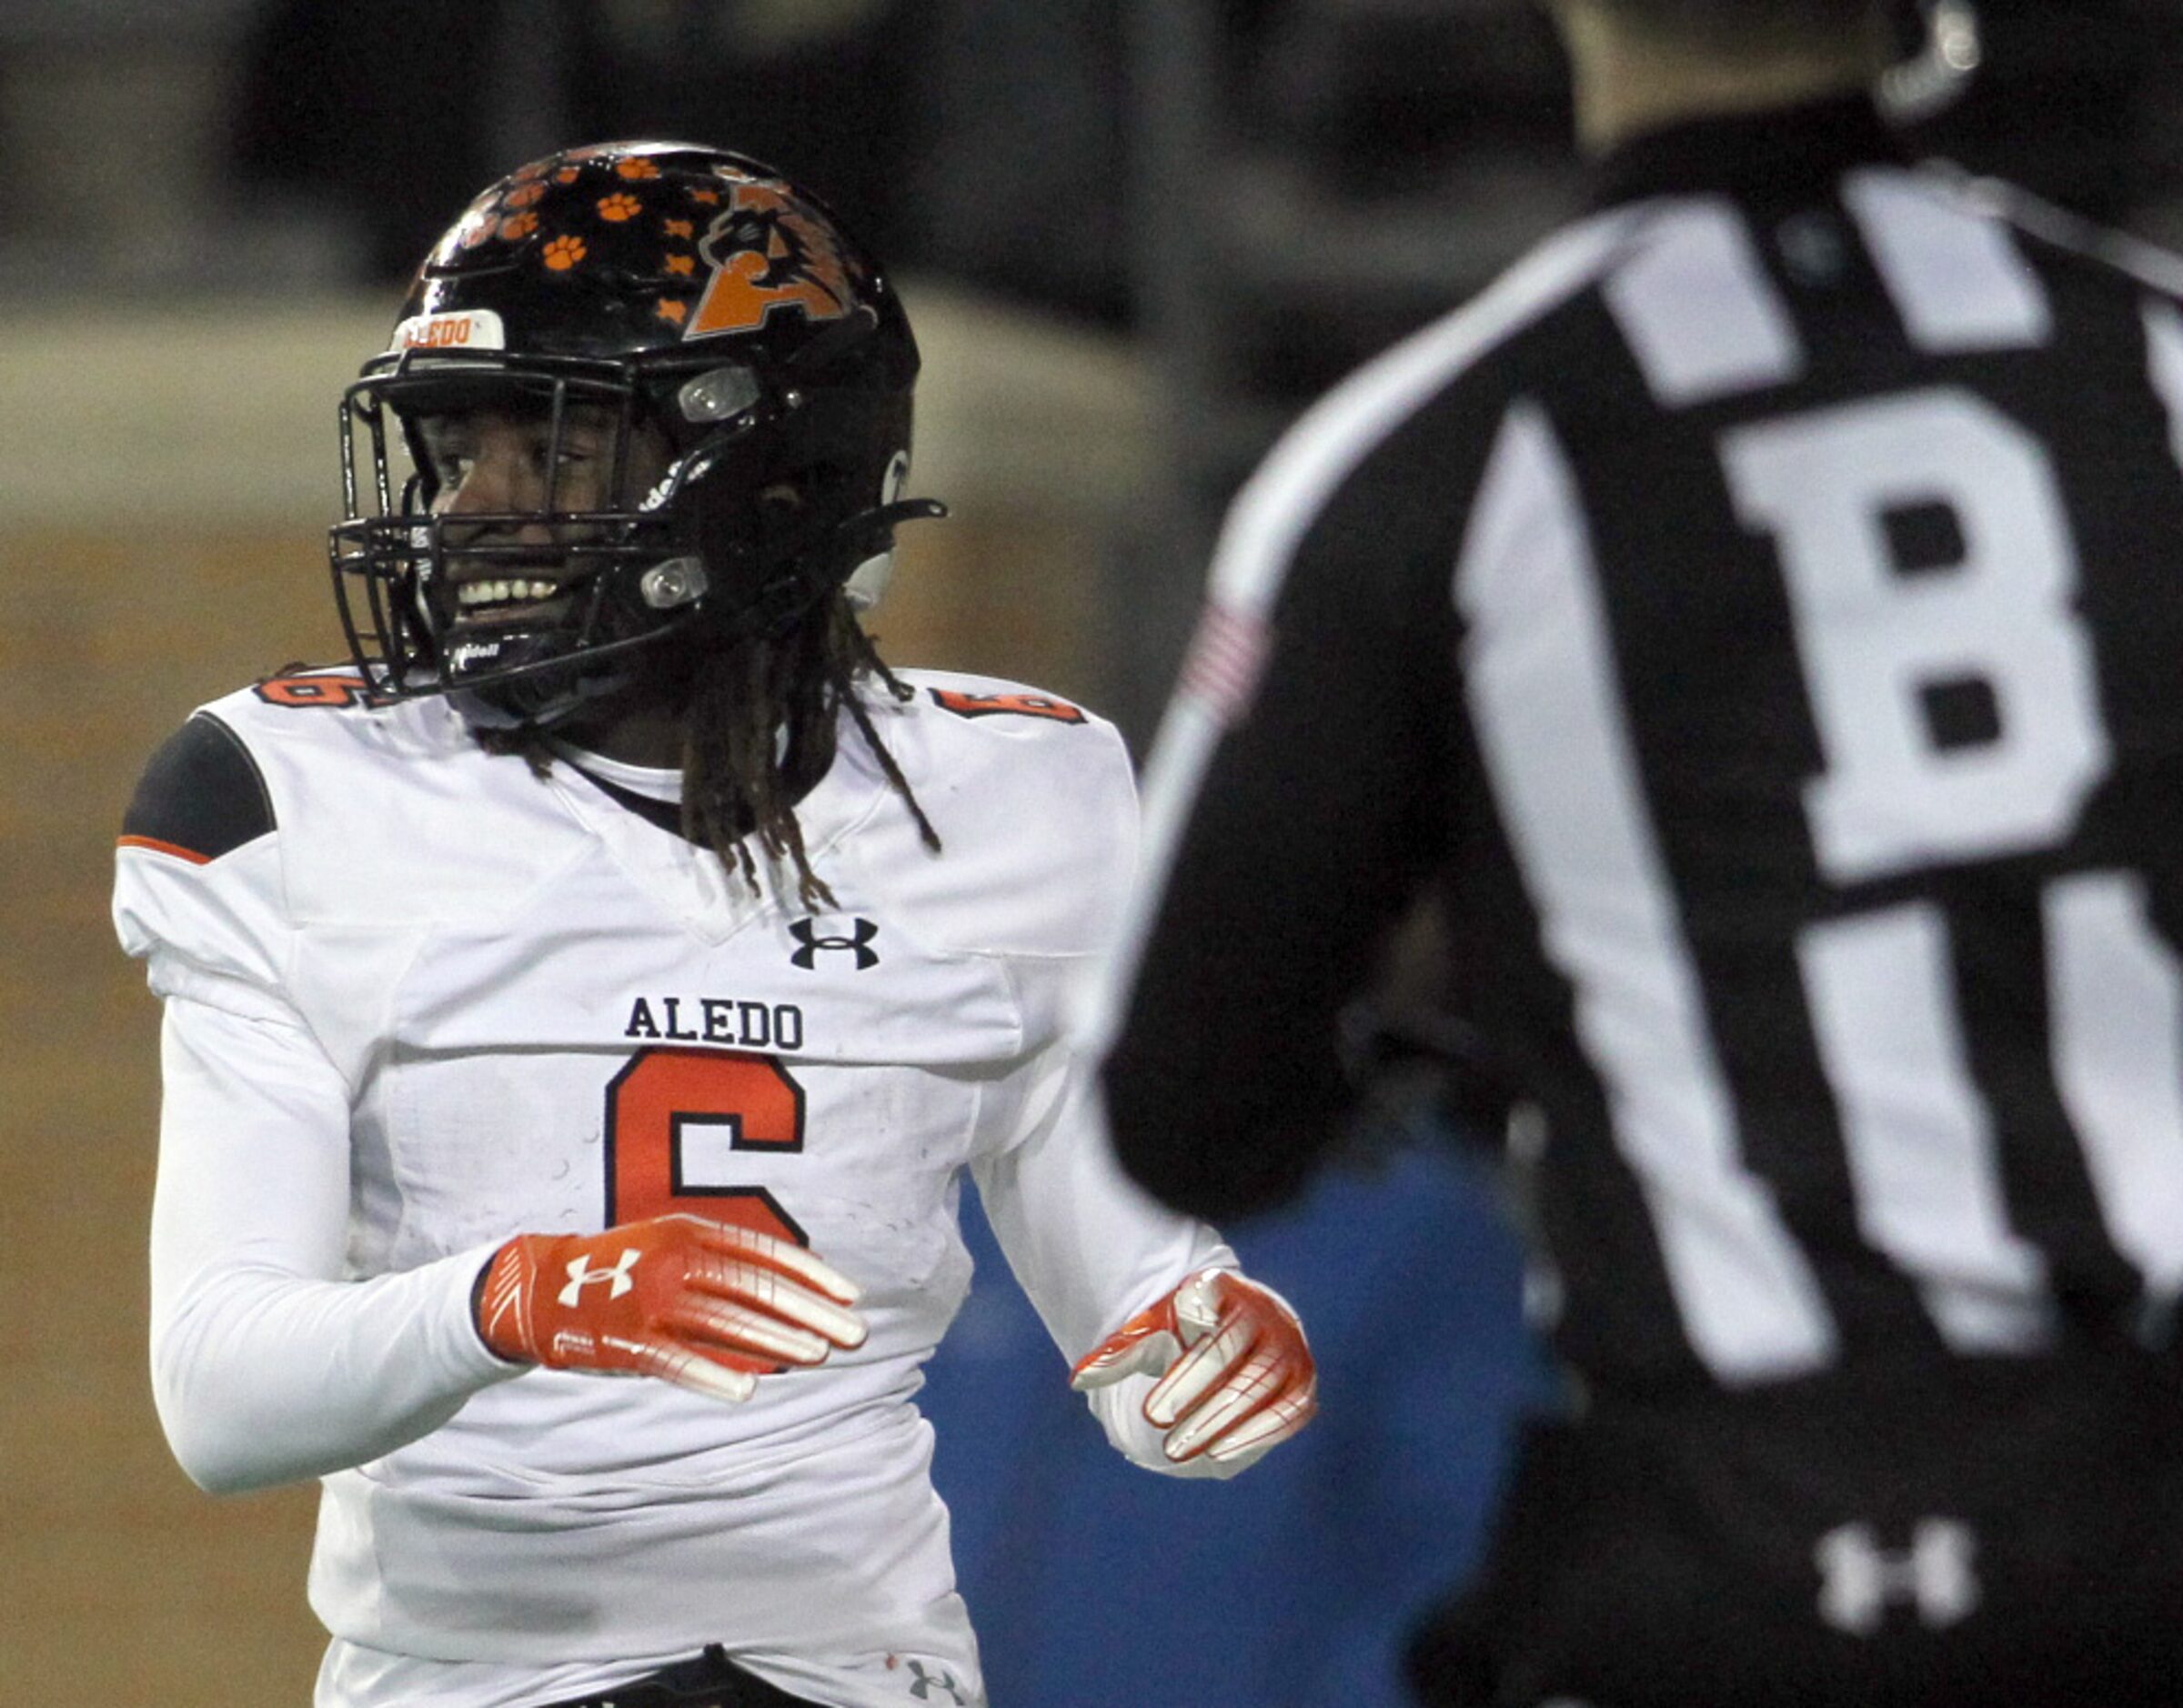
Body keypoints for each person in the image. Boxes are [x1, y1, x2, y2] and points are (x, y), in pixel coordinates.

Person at [113, 140, 1316, 1708]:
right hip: (481, 1678)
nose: (468, 509)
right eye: (455, 449)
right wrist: (522, 1295)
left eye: (549, 455)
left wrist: (1198, 1334)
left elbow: (1110, 1263)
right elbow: (219, 1392)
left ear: (766, 474)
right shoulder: (295, 793)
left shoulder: (1024, 791)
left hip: (858, 1665)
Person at [1095, 2, 2183, 1703]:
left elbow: (1187, 1104)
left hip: (1727, 1560)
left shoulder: (1432, 462)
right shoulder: (2153, 369)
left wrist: (1502, 1031)